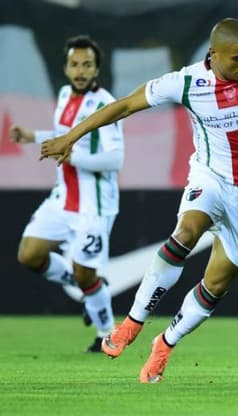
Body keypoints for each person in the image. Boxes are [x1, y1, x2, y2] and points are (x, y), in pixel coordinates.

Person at [40, 18, 238, 383]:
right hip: (210, 178)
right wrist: (72, 137)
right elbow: (126, 105)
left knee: (217, 285)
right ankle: (132, 322)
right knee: (186, 232)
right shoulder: (187, 82)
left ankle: (165, 343)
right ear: (214, 54)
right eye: (237, 59)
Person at [12, 35, 123, 352]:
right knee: (30, 254)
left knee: (86, 274)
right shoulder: (64, 95)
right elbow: (63, 138)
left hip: (94, 206)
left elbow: (115, 159)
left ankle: (106, 336)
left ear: (97, 69)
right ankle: (91, 288)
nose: (80, 70)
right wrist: (34, 136)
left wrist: (73, 157)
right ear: (66, 67)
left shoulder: (106, 105)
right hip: (63, 198)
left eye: (87, 64)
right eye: (75, 64)